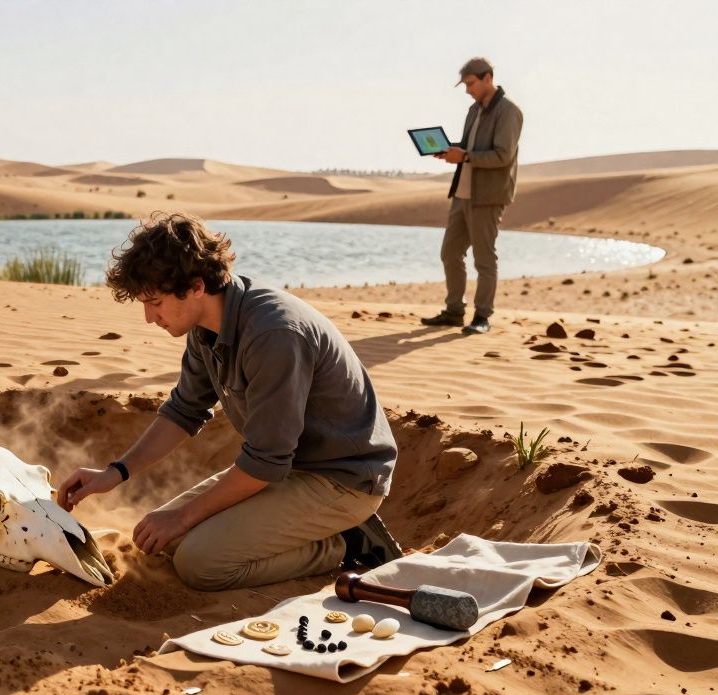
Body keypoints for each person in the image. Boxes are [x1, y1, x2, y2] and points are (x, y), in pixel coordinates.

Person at [57, 212, 402, 591]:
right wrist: (114, 473)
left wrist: (185, 517)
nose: (148, 317)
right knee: (165, 541)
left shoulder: (274, 334)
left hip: (343, 481)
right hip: (289, 470)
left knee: (200, 563)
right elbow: (184, 411)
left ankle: (344, 544)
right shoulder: (205, 325)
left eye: (155, 302)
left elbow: (266, 459)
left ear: (196, 286)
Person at [421, 57, 524, 335]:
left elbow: (503, 155)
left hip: (488, 196)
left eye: (471, 84)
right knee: (450, 253)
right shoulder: (473, 111)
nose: (468, 90)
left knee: (484, 258)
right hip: (462, 194)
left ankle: (482, 316)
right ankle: (454, 311)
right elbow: (469, 148)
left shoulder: (509, 111)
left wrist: (464, 155)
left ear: (487, 78)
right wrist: (449, 149)